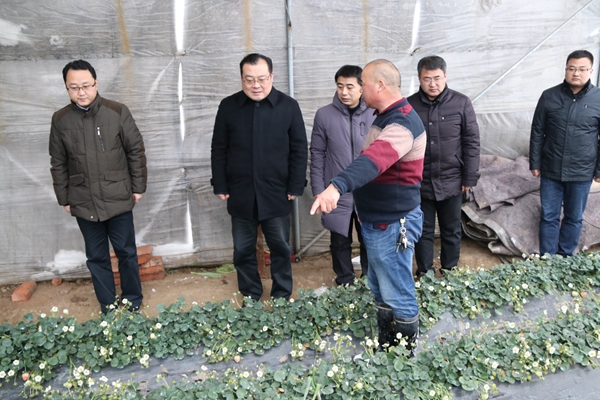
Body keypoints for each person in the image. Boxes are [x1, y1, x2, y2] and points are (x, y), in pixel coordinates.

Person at [310, 59, 426, 355]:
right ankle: (387, 346)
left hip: (392, 223)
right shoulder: (384, 116)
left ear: (380, 86)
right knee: (380, 284)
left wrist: (336, 186)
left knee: (396, 289)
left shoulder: (401, 124)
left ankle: (402, 356)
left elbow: (373, 161)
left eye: (362, 83)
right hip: (378, 220)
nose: (358, 88)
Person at [49, 59, 147, 314]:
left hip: (118, 196)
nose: (81, 92)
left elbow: (135, 150)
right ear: (67, 88)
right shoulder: (60, 119)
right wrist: (64, 198)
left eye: (86, 85)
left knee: (126, 252)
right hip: (83, 200)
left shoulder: (117, 112)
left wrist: (138, 187)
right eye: (74, 88)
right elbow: (58, 162)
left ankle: (132, 300)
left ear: (95, 83)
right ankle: (108, 305)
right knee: (96, 257)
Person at [211, 53, 308, 302]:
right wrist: (220, 184)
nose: (256, 85)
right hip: (241, 192)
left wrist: (296, 185)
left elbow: (299, 149)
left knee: (280, 247)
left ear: (271, 76)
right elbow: (219, 148)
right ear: (241, 78)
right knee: (243, 249)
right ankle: (250, 293)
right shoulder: (229, 106)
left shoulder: (288, 106)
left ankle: (281, 294)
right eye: (249, 79)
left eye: (262, 79)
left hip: (277, 191)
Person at [407, 56, 480, 277]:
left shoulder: (461, 103)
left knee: (451, 229)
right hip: (421, 181)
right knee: (423, 230)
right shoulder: (409, 106)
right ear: (419, 78)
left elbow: (471, 141)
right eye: (427, 79)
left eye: (437, 78)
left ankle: (450, 271)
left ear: (445, 76)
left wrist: (469, 176)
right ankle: (425, 272)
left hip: (452, 179)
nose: (433, 84)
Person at [530, 49, 600, 256]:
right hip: (551, 168)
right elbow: (537, 131)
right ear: (566, 70)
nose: (576, 73)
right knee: (548, 216)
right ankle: (548, 260)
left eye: (582, 69)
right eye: (571, 68)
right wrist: (535, 163)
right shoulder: (549, 96)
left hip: (582, 171)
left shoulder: (598, 98)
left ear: (591, 71)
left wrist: (599, 170)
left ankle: (566, 258)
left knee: (574, 217)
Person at [310, 65, 375, 285]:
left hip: (368, 190)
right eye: (340, 86)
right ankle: (345, 279)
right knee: (339, 240)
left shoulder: (374, 113)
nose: (344, 92)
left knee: (370, 238)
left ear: (361, 87)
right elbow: (317, 153)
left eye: (349, 87)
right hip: (335, 190)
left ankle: (369, 279)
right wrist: (319, 189)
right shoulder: (324, 115)